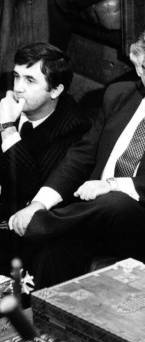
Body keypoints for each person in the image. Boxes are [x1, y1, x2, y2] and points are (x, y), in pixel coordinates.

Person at [8, 26, 145, 288]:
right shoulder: (119, 94)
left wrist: (111, 185)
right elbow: (82, 155)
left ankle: (43, 225)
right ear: (139, 68)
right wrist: (39, 204)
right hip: (96, 216)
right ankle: (44, 317)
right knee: (57, 248)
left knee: (116, 201)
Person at [0, 42, 90, 274]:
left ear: (56, 90)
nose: (18, 88)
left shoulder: (73, 127)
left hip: (28, 233)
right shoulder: (5, 103)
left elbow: (33, 187)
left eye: (30, 80)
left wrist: (8, 129)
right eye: (16, 77)